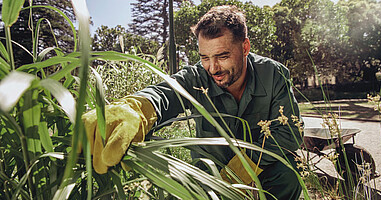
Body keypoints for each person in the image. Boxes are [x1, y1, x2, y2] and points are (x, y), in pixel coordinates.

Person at [83, 5, 303, 200]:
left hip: (262, 174)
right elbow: (166, 93)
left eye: (222, 56)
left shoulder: (274, 74)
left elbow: (288, 133)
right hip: (208, 180)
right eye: (204, 58)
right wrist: (137, 108)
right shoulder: (197, 77)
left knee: (290, 173)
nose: (213, 68)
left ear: (245, 47)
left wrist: (241, 173)